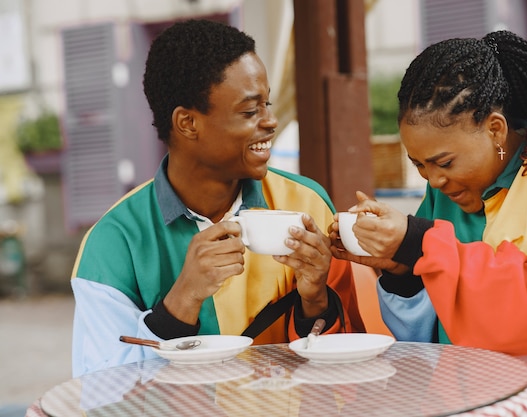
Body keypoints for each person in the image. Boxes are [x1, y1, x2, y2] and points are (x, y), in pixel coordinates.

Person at [330, 30, 527, 416]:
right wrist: (399, 269)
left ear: (496, 129)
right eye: (419, 165)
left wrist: (419, 243)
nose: (432, 180)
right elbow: (428, 340)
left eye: (444, 162)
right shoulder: (445, 192)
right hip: (479, 401)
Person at [71, 19, 364, 378]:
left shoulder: (307, 204)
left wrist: (315, 296)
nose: (271, 121)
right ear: (188, 123)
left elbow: (351, 358)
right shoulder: (114, 241)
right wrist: (182, 299)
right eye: (249, 110)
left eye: (268, 104)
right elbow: (100, 386)